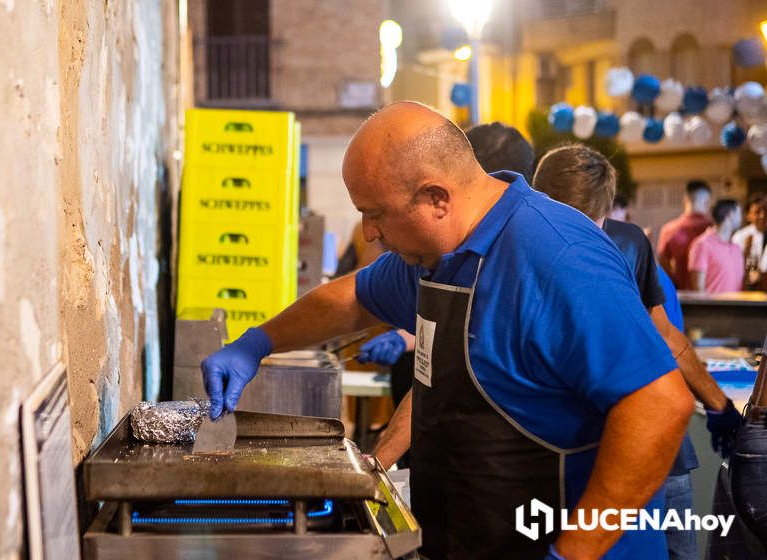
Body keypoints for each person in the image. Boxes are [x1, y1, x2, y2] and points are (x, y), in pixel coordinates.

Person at [201, 102, 693, 559]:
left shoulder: (558, 257)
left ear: (436, 198)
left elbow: (660, 406)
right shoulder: (438, 255)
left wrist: (571, 554)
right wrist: (256, 342)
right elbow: (352, 298)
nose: (369, 233)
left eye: (376, 214)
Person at [533, 143, 743, 560]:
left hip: (584, 457)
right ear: (607, 206)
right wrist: (717, 405)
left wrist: (718, 406)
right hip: (652, 449)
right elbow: (665, 335)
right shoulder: (626, 240)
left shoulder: (523, 251)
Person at [356, 122, 536, 419]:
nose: (369, 233)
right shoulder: (432, 248)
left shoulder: (529, 254)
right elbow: (357, 291)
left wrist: (406, 338)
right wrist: (259, 342)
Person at [658, 180, 713, 289]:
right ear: (707, 202)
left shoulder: (668, 230)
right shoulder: (712, 229)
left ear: (685, 200)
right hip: (710, 295)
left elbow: (663, 266)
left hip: (680, 294)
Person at [687, 199, 744, 293]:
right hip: (713, 307)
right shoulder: (702, 244)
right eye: (739, 213)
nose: (742, 217)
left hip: (737, 306)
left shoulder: (736, 247)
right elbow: (698, 289)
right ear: (730, 215)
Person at [731, 194, 766, 289]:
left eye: (766, 211)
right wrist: (746, 251)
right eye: (757, 212)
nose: (763, 216)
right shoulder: (740, 236)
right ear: (748, 216)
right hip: (745, 286)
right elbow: (733, 265)